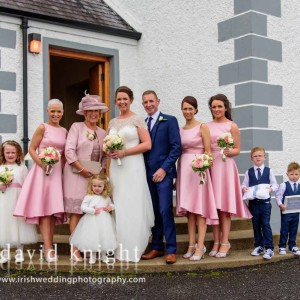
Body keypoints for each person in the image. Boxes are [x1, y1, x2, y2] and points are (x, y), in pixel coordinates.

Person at [14, 99, 67, 262]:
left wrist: (65, 172)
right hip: (42, 172)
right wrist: (42, 164)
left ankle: (48, 245)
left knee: (52, 210)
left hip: (57, 173)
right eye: (53, 111)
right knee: (45, 210)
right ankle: (48, 248)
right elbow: (31, 148)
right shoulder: (42, 127)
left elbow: (64, 154)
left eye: (59, 111)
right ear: (47, 111)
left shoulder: (65, 130)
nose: (56, 114)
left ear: (63, 113)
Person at [108, 86, 154, 263]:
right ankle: (119, 244)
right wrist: (110, 151)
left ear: (131, 100)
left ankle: (133, 246)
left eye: (125, 99)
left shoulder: (138, 119)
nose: (122, 102)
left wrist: (124, 153)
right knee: (119, 203)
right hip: (116, 168)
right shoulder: (112, 122)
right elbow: (108, 144)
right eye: (119, 99)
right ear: (115, 101)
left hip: (133, 165)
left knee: (132, 203)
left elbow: (147, 144)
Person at [63, 93, 108, 261]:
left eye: (96, 110)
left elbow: (104, 156)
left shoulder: (103, 133)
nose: (93, 114)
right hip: (76, 174)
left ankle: (88, 246)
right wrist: (81, 169)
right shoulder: (77, 127)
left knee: (90, 213)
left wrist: (100, 172)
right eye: (90, 111)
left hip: (93, 178)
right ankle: (74, 249)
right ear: (84, 112)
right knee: (76, 212)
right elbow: (69, 151)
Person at [207, 94, 252, 258]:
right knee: (214, 207)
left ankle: (225, 242)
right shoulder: (206, 126)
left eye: (220, 106)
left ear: (226, 107)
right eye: (214, 107)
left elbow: (237, 149)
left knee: (224, 208)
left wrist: (228, 151)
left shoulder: (232, 126)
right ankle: (216, 241)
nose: (217, 109)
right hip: (211, 167)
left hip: (225, 168)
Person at [176, 96, 218, 261]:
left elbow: (208, 151)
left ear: (196, 110)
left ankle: (201, 246)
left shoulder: (202, 127)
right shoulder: (180, 129)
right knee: (189, 212)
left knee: (199, 210)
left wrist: (203, 165)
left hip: (198, 170)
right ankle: (191, 245)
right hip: (184, 171)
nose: (187, 112)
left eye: (190, 109)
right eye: (184, 109)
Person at [141, 90, 181, 264]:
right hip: (146, 174)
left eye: (151, 101)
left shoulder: (169, 120)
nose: (148, 104)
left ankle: (171, 249)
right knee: (154, 210)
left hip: (163, 174)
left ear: (158, 101)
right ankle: (157, 247)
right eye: (145, 102)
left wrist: (164, 169)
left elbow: (176, 147)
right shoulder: (142, 123)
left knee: (165, 210)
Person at [0, 141, 37, 264]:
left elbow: (26, 184)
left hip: (18, 199)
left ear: (18, 153)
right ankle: (5, 252)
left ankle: (19, 251)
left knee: (18, 224)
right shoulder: (0, 167)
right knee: (5, 224)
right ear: (3, 153)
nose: (10, 155)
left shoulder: (22, 168)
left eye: (13, 152)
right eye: (7, 152)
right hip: (4, 199)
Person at [69, 174, 117, 264]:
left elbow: (111, 204)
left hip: (104, 220)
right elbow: (83, 207)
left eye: (99, 186)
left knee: (104, 237)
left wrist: (110, 208)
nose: (97, 188)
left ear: (104, 187)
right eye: (94, 186)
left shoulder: (106, 197)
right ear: (91, 186)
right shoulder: (89, 196)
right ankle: (93, 256)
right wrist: (92, 210)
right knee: (93, 238)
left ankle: (104, 255)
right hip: (92, 220)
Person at [241, 146, 278, 260]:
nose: (258, 158)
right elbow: (244, 184)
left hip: (265, 204)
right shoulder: (249, 172)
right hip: (253, 203)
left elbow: (275, 185)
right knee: (256, 225)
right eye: (255, 156)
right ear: (251, 158)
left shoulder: (269, 171)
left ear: (264, 157)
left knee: (265, 224)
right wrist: (244, 189)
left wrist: (271, 189)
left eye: (260, 156)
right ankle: (259, 246)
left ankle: (269, 247)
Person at [275, 162, 300, 256]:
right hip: (286, 211)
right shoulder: (284, 185)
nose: (294, 176)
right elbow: (278, 196)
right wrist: (280, 205)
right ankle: (282, 246)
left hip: (296, 212)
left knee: (294, 229)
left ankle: (292, 246)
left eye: (296, 174)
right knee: (285, 229)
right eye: (292, 174)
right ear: (287, 174)